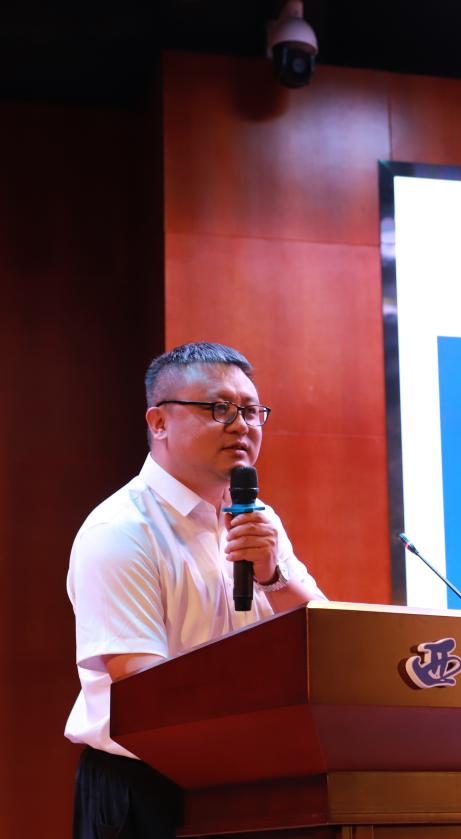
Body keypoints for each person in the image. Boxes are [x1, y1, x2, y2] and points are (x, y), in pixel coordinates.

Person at [64, 341, 325, 839]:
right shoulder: (121, 531)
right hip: (148, 788)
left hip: (249, 780)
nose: (241, 425)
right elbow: (143, 689)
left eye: (251, 411)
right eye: (219, 408)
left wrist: (273, 576)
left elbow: (327, 642)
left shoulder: (257, 518)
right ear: (159, 421)